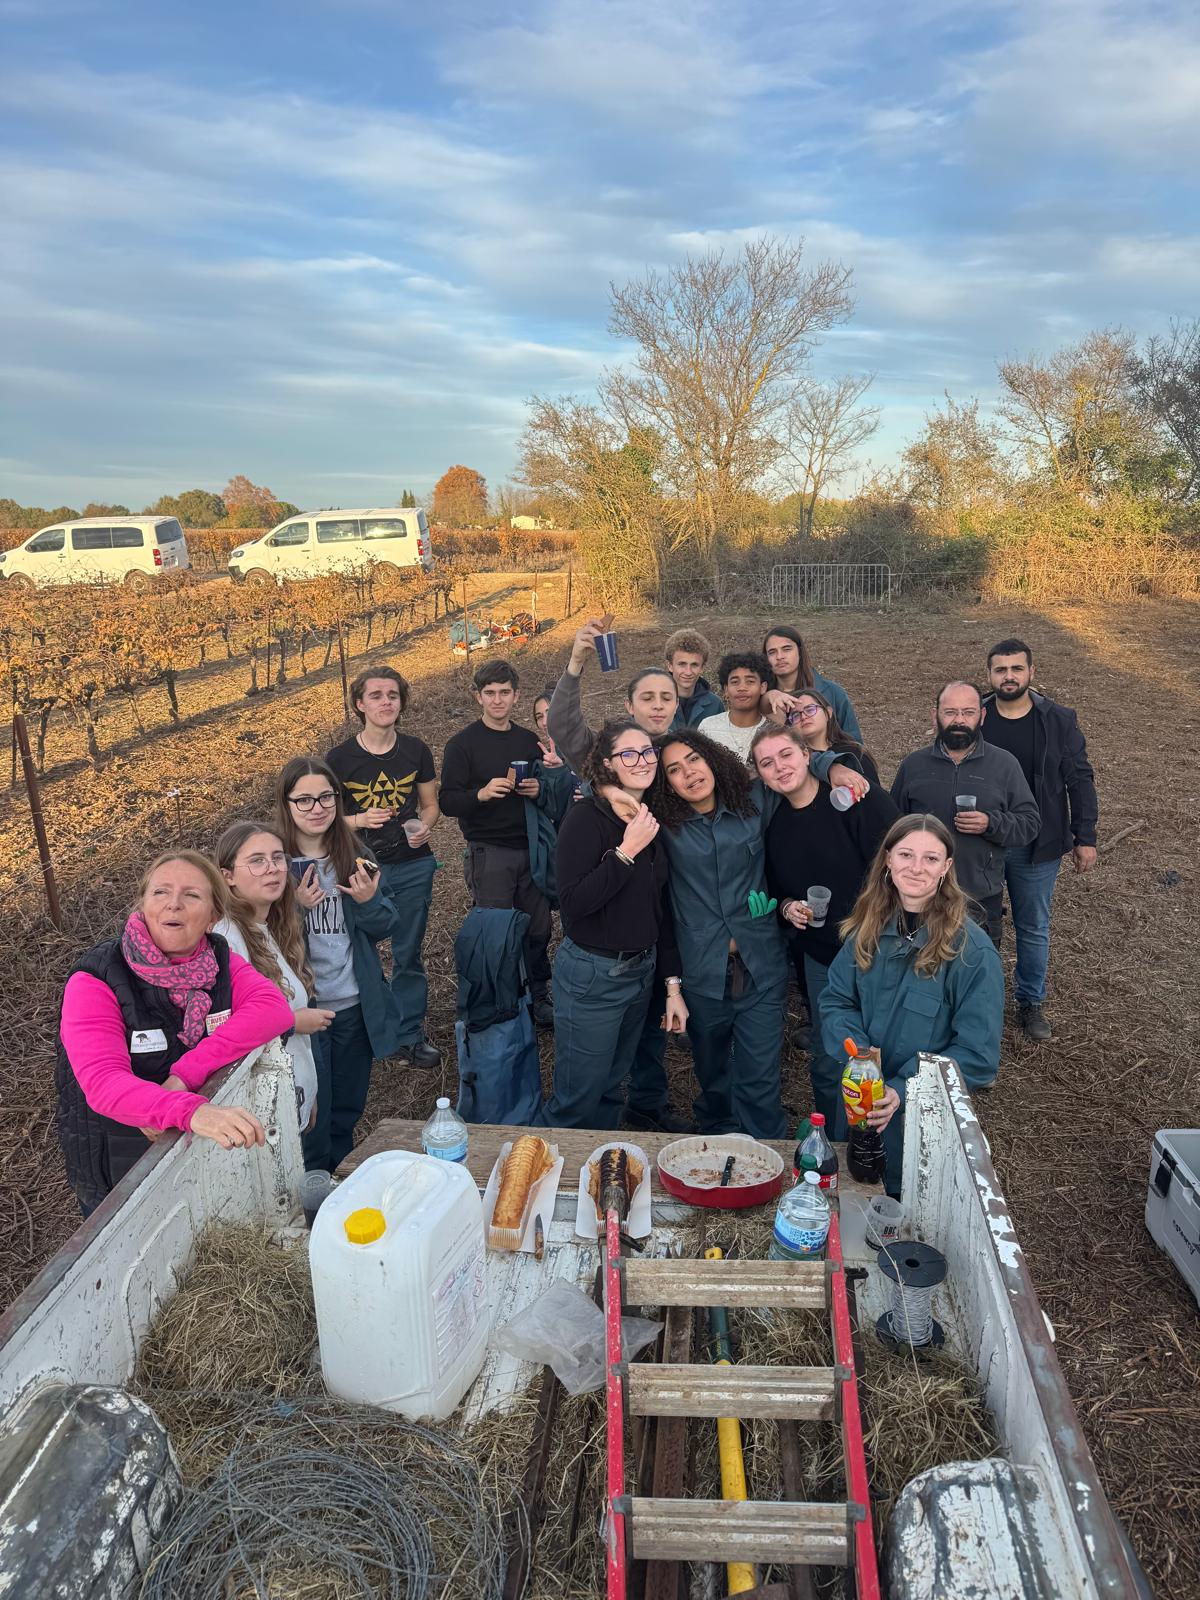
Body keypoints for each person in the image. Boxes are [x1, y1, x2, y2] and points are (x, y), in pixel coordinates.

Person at [56, 851, 292, 1216]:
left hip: (201, 1144)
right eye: (160, 893)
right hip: (120, 1156)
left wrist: (186, 1074)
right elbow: (103, 1084)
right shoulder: (96, 978)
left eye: (191, 895)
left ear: (214, 916)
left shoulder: (218, 960)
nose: (174, 905)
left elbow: (272, 1008)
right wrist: (188, 1110)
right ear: (143, 904)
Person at [820, 815, 1004, 1197]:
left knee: (905, 1217)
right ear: (888, 859)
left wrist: (903, 1089)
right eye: (905, 854)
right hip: (857, 1105)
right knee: (850, 1200)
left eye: (931, 859)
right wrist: (860, 1060)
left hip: (921, 1125)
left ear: (946, 868)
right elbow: (836, 999)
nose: (916, 868)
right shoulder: (867, 928)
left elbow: (978, 1054)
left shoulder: (971, 951)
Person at [751, 725, 899, 1136]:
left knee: (885, 1047)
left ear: (806, 755)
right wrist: (787, 908)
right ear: (760, 775)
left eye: (785, 755)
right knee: (831, 1052)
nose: (779, 767)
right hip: (822, 957)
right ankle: (836, 1141)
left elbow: (902, 854)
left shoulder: (853, 799)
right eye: (767, 763)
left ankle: (886, 1138)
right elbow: (776, 891)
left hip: (879, 946)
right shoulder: (774, 827)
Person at [542, 721, 687, 1127]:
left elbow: (660, 906)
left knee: (611, 1085)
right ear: (608, 764)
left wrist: (671, 983)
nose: (641, 761)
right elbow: (571, 902)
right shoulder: (586, 819)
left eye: (647, 752)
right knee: (578, 1094)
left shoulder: (650, 814)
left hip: (641, 969)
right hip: (594, 974)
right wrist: (625, 853)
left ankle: (596, 1167)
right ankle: (552, 1174)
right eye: (629, 754)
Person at [648, 729, 790, 1139]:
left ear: (712, 759)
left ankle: (766, 1147)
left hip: (761, 964)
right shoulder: (664, 827)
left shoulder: (752, 804)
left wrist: (833, 765)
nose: (689, 772)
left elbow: (790, 772)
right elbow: (605, 781)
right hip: (702, 972)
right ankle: (715, 1133)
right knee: (710, 1070)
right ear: (666, 783)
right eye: (674, 769)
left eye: (694, 759)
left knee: (760, 1075)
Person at [277, 756, 407, 1172]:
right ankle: (311, 1190)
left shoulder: (355, 854)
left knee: (346, 1109)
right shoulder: (274, 862)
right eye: (304, 800)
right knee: (311, 1113)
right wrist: (294, 908)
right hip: (302, 1012)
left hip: (352, 1003)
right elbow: (257, 940)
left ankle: (336, 1179)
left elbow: (385, 924)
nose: (317, 808)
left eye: (326, 797)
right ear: (287, 804)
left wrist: (369, 902)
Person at [982, 639, 1099, 1040]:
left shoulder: (1057, 720)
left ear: (1032, 673)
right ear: (990, 676)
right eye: (1000, 669)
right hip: (983, 841)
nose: (1009, 676)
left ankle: (1030, 1002)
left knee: (1032, 926)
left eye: (1016, 669)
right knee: (979, 923)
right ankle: (980, 1001)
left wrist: (1086, 836)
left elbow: (1079, 778)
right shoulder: (975, 716)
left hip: (1038, 842)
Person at [325, 665, 441, 1067]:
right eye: (375, 695)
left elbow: (430, 806)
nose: (385, 702)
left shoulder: (416, 751)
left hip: (411, 866)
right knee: (361, 952)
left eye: (392, 695)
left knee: (408, 953)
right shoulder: (339, 759)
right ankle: (370, 1033)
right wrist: (359, 820)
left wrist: (423, 829)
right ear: (360, 703)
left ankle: (409, 1035)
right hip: (358, 869)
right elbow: (321, 818)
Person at [439, 660, 555, 1028]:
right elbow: (447, 801)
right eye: (490, 693)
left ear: (516, 695)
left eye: (505, 692)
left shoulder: (526, 741)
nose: (498, 700)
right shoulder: (462, 744)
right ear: (478, 697)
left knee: (538, 929)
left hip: (531, 849)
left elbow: (547, 790)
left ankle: (538, 996)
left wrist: (538, 789)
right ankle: (500, 1002)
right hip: (489, 852)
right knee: (496, 931)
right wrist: (482, 793)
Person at [890, 682, 1040, 946]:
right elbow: (892, 827)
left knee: (975, 974)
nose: (959, 720)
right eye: (950, 712)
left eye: (968, 712)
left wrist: (991, 823)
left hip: (979, 897)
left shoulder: (1004, 765)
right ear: (934, 715)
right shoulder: (914, 765)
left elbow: (1029, 823)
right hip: (920, 893)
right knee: (919, 970)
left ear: (981, 716)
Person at [214, 821, 328, 1137]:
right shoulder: (226, 940)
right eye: (257, 861)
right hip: (261, 1114)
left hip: (290, 1097)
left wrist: (307, 1090)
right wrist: (292, 1023)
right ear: (228, 876)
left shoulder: (271, 927)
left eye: (278, 858)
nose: (272, 869)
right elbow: (226, 1033)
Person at [761, 623, 862, 742]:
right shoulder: (762, 697)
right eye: (772, 652)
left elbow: (855, 743)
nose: (779, 656)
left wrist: (836, 760)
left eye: (786, 649)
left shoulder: (832, 692)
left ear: (799, 652)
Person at [786, 687, 882, 785]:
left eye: (810, 709)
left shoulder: (854, 753)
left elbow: (876, 796)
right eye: (796, 715)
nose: (803, 717)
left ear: (828, 713)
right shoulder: (793, 762)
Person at [697, 652, 772, 764]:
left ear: (762, 687)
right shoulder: (708, 726)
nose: (742, 688)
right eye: (735, 682)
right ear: (726, 689)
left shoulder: (773, 731)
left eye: (750, 681)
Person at [532, 683, 579, 826]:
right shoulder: (547, 760)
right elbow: (555, 810)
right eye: (539, 716)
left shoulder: (592, 745)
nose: (545, 722)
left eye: (550, 711)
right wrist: (557, 771)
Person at [665, 627, 723, 728]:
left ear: (702, 668)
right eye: (682, 664)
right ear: (670, 665)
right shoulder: (654, 703)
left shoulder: (715, 705)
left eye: (694, 665)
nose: (688, 672)